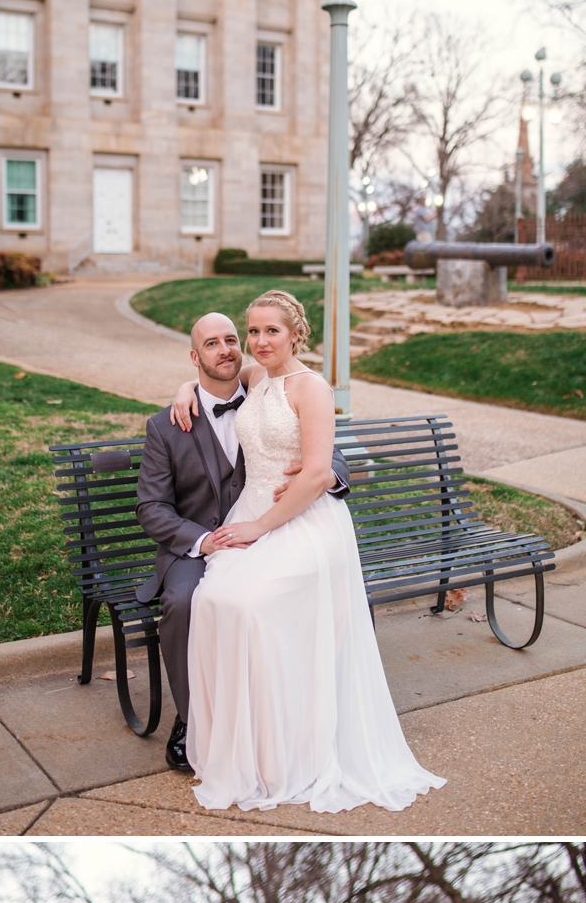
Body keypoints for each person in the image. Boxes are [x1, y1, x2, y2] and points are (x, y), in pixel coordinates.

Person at [164, 291, 444, 814]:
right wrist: (185, 388)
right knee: (215, 599)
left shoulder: (311, 387)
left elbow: (317, 472)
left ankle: (287, 748)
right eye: (253, 332)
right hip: (252, 514)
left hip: (302, 522)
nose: (258, 341)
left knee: (251, 606)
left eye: (271, 331)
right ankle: (238, 740)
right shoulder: (255, 378)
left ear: (296, 333)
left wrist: (259, 528)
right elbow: (215, 378)